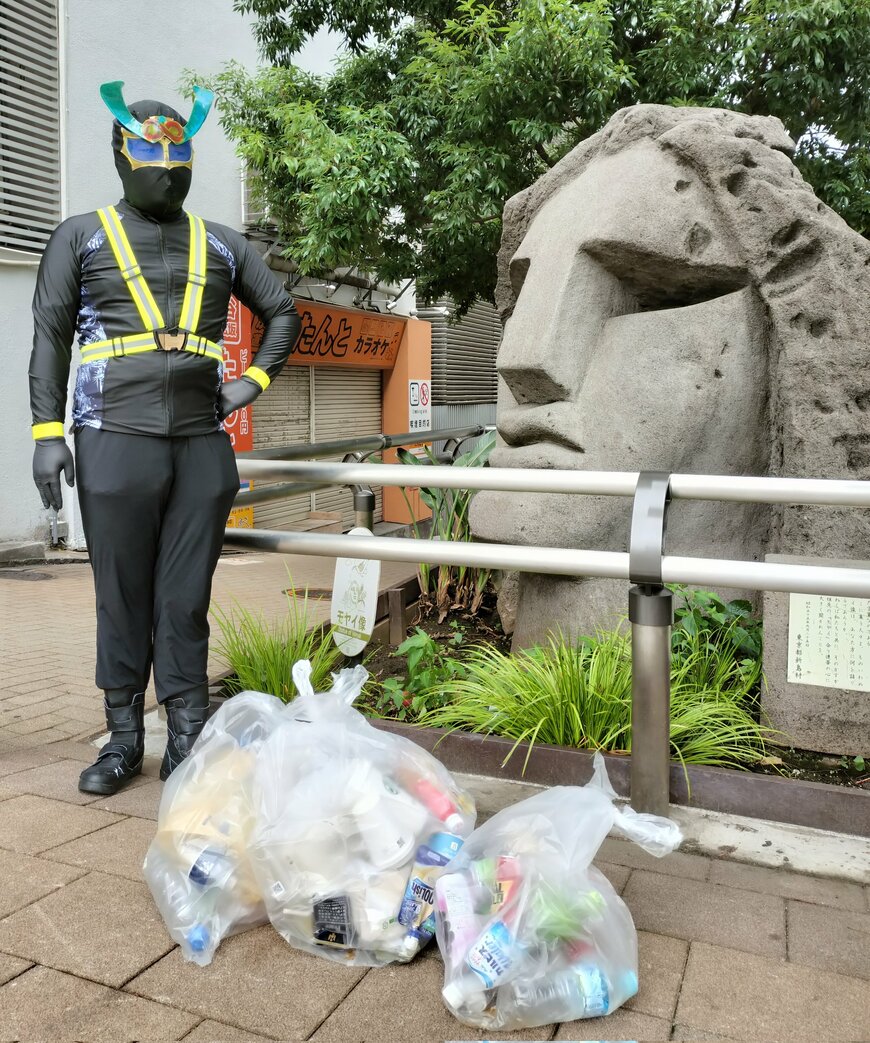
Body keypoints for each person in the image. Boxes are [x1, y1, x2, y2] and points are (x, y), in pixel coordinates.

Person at [29, 81, 300, 795]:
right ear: (120, 151)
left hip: (200, 446)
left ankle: (185, 734)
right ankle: (122, 737)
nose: (166, 159)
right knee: (120, 592)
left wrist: (252, 384)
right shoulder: (79, 236)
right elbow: (51, 339)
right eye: (149, 144)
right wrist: (46, 432)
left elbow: (283, 314)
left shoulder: (223, 242)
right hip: (112, 437)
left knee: (184, 596)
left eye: (179, 145)